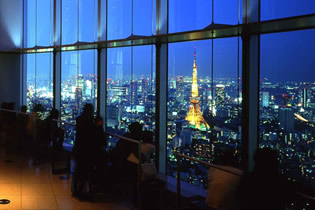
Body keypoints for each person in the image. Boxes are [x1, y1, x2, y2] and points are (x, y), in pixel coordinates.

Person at [72, 103, 95, 200]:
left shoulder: (79, 119)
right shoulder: (89, 121)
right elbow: (91, 136)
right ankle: (82, 193)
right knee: (84, 171)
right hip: (86, 149)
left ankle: (76, 191)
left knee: (78, 170)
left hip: (78, 147)